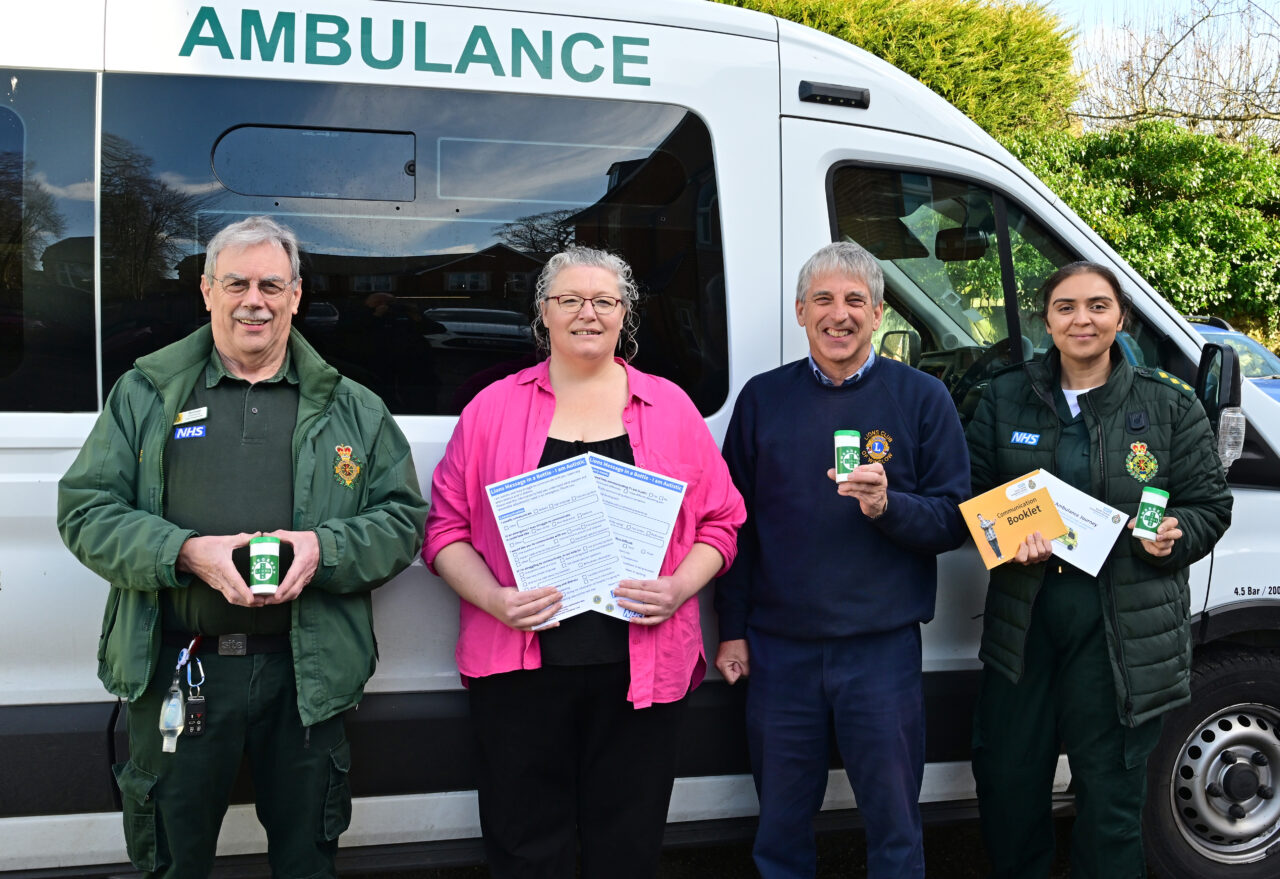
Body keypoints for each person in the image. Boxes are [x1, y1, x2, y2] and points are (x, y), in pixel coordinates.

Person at [57, 215, 428, 878]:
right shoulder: (146, 393)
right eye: (236, 283)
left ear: (295, 295)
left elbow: (401, 521)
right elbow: (86, 511)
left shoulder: (355, 407)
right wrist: (185, 552)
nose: (253, 299)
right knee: (172, 858)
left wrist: (323, 548)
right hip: (181, 670)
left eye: (270, 284)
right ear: (206, 291)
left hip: (305, 673)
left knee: (307, 858)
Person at [423, 246, 745, 878]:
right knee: (523, 847)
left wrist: (680, 586)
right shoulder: (491, 409)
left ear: (626, 315)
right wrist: (494, 599)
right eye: (569, 299)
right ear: (542, 313)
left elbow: (722, 521)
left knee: (626, 847)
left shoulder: (673, 409)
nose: (587, 314)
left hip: (641, 672)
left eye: (604, 300)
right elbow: (444, 531)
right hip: (518, 670)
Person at [965, 261, 1232, 878]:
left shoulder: (1168, 404)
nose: (1081, 319)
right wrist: (1007, 538)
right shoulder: (1005, 397)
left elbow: (1209, 506)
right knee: (1008, 782)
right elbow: (970, 498)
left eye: (1097, 306)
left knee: (1110, 797)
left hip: (1121, 629)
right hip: (1024, 622)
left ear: (1120, 317)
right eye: (1065, 308)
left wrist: (1176, 534)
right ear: (1046, 321)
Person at [715, 241, 969, 879]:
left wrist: (888, 508)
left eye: (856, 300)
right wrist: (732, 629)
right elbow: (733, 526)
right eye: (823, 299)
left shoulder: (922, 398)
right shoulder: (761, 400)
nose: (840, 314)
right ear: (800, 311)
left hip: (880, 650)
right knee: (779, 828)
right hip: (779, 651)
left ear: (879, 313)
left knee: (893, 827)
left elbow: (953, 518)